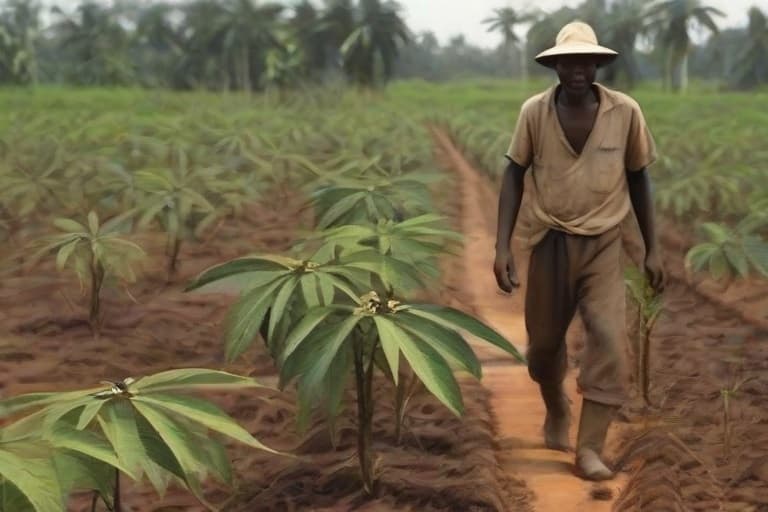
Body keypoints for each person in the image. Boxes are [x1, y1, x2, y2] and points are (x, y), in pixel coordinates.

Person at [493, 21, 667, 481]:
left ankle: (589, 449)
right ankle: (556, 408)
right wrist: (502, 246)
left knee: (609, 342)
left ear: (597, 65)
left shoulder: (625, 112)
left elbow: (639, 178)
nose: (576, 70)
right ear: (554, 65)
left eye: (585, 62)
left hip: (605, 244)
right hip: (549, 239)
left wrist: (653, 249)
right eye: (567, 62)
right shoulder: (534, 112)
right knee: (544, 348)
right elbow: (513, 174)